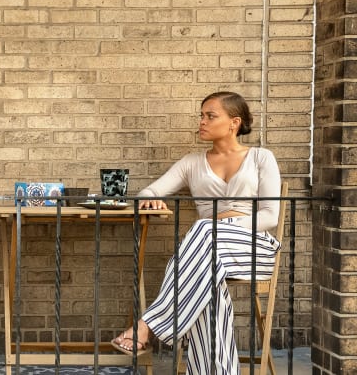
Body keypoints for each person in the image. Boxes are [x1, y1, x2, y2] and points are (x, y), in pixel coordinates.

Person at [111, 91, 281, 374]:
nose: (202, 121)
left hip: (253, 247)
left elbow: (270, 216)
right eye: (201, 116)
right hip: (206, 253)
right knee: (206, 284)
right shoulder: (192, 162)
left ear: (233, 122)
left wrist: (222, 225)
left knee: (203, 229)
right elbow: (148, 192)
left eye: (210, 116)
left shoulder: (262, 158)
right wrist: (150, 199)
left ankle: (149, 325)